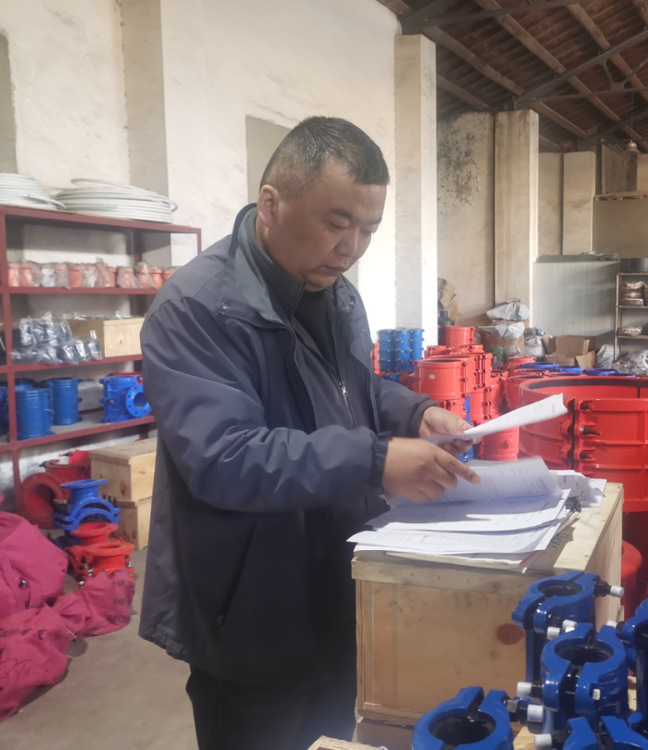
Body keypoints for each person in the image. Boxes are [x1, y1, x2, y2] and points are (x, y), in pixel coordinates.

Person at [138, 116, 479, 750]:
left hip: (339, 580)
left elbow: (348, 389)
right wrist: (374, 459)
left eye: (368, 229)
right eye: (336, 222)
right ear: (271, 205)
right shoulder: (197, 309)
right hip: (250, 610)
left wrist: (411, 413)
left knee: (332, 735)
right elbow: (224, 456)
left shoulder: (336, 294)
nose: (352, 247)